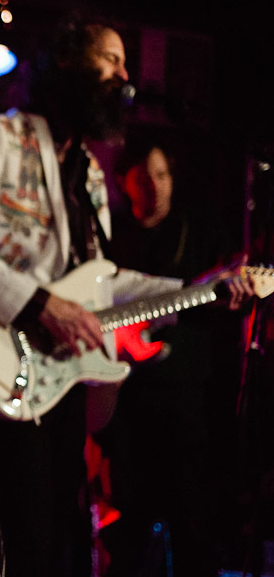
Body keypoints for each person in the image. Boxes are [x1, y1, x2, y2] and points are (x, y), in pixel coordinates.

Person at [0, 19, 253, 577]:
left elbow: (101, 280)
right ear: (67, 65)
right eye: (112, 61)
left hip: (64, 379)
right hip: (4, 371)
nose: (126, 76)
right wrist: (41, 305)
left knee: (63, 542)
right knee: (22, 545)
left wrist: (201, 292)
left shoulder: (89, 172)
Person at [97, 137, 246, 576]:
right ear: (123, 181)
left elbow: (230, 290)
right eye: (144, 177)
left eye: (162, 176)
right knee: (125, 524)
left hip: (184, 398)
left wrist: (230, 290)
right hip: (121, 400)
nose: (155, 186)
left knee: (191, 521)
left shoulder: (199, 229)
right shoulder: (110, 235)